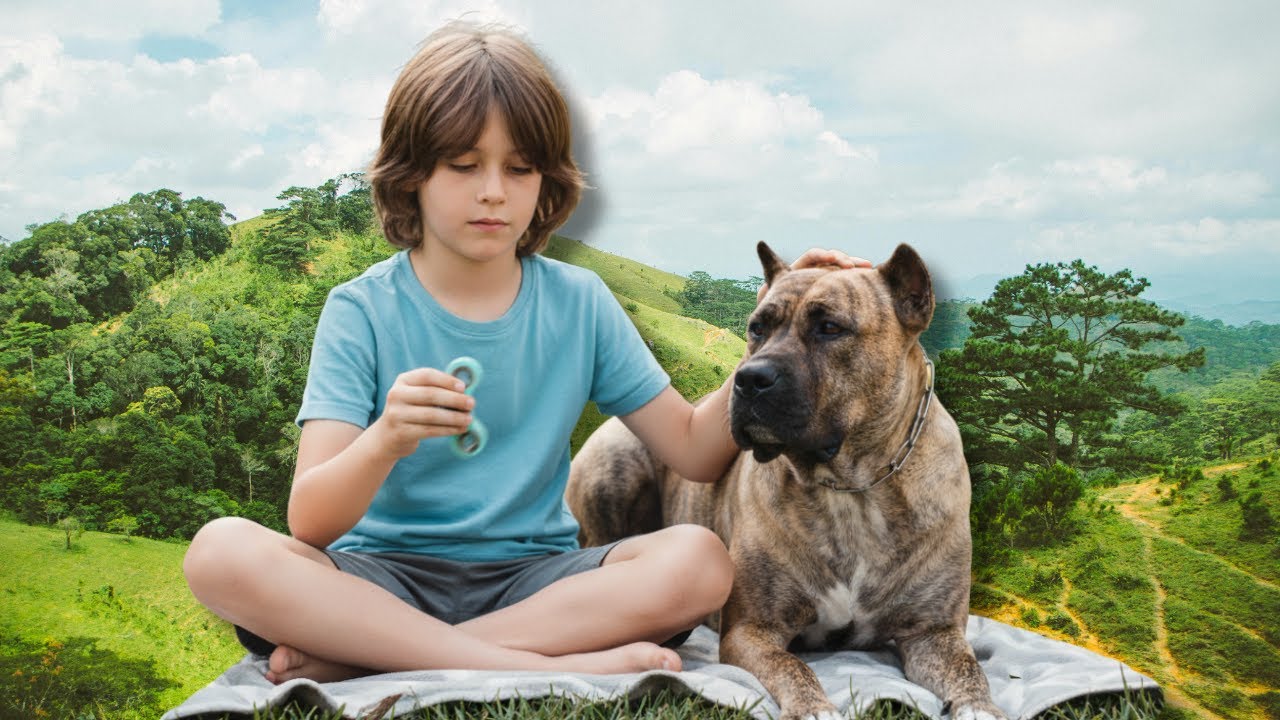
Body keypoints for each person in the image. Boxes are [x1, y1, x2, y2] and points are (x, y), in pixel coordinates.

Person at [183, 21, 865, 684]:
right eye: (462, 165)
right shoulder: (360, 310)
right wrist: (385, 439)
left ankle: (377, 656)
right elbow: (311, 521)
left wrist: (782, 323)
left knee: (701, 562)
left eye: (519, 168)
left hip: (536, 587)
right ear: (410, 175)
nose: (492, 192)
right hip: (378, 579)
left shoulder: (579, 301)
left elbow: (691, 447)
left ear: (547, 182)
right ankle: (518, 662)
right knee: (219, 552)